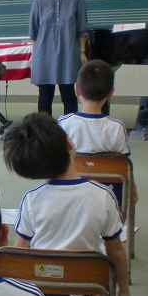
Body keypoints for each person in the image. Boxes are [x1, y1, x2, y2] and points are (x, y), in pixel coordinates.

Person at [3, 112, 130, 296]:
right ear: (71, 144)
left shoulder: (32, 200)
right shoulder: (103, 196)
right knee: (95, 274)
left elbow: (18, 254)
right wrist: (123, 288)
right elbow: (116, 252)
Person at [58, 59, 137, 205]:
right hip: (109, 202)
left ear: (76, 89)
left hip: (69, 199)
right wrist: (133, 191)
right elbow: (123, 165)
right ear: (111, 92)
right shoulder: (117, 127)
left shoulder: (64, 124)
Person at [29, 0, 88, 116]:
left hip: (69, 53)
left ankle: (70, 129)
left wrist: (82, 51)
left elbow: (81, 29)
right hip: (44, 53)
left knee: (69, 96)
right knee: (45, 97)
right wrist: (34, 54)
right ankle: (44, 130)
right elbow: (34, 31)